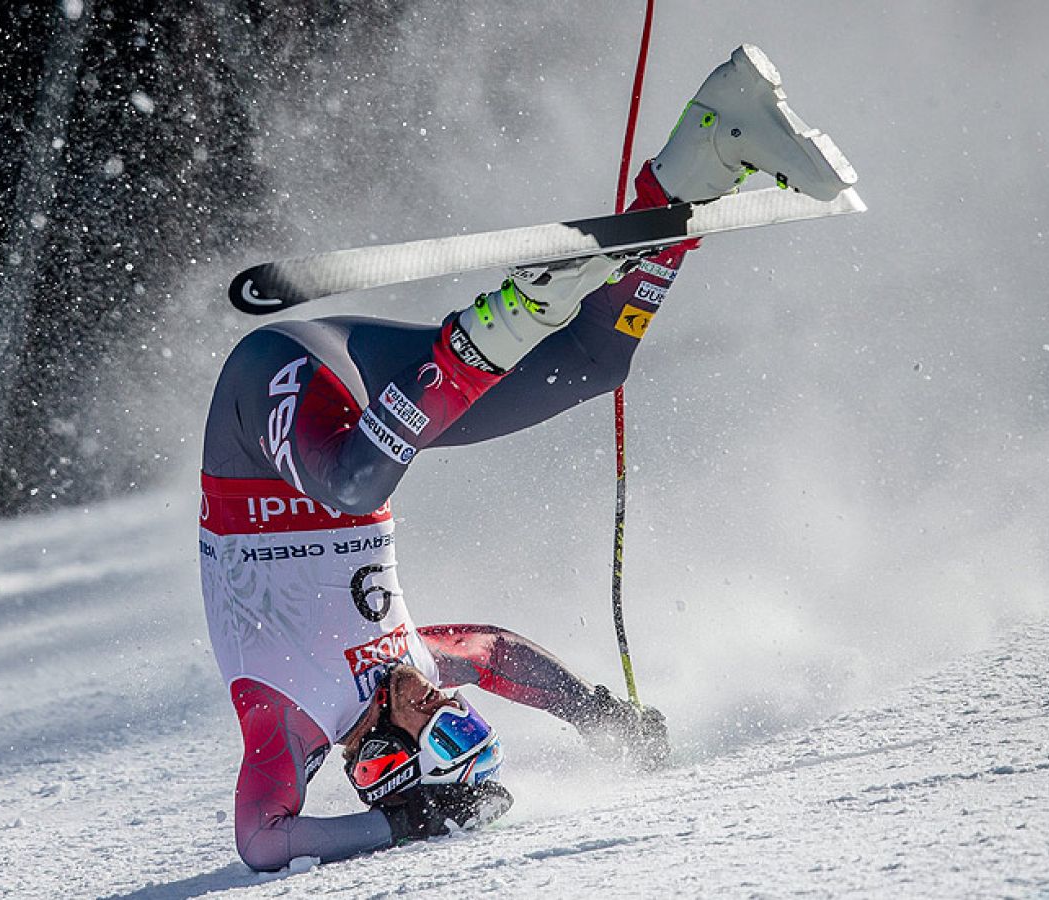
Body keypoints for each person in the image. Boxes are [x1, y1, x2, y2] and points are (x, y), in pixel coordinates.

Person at [197, 44, 855, 872]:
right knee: (593, 363)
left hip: (265, 409)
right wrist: (597, 717)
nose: (445, 698)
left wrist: (403, 829)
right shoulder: (416, 668)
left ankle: (508, 319)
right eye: (461, 716)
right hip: (375, 402)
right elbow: (498, 655)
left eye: (444, 728)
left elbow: (262, 842)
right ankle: (711, 148)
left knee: (355, 483)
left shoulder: (286, 720)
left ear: (388, 763)